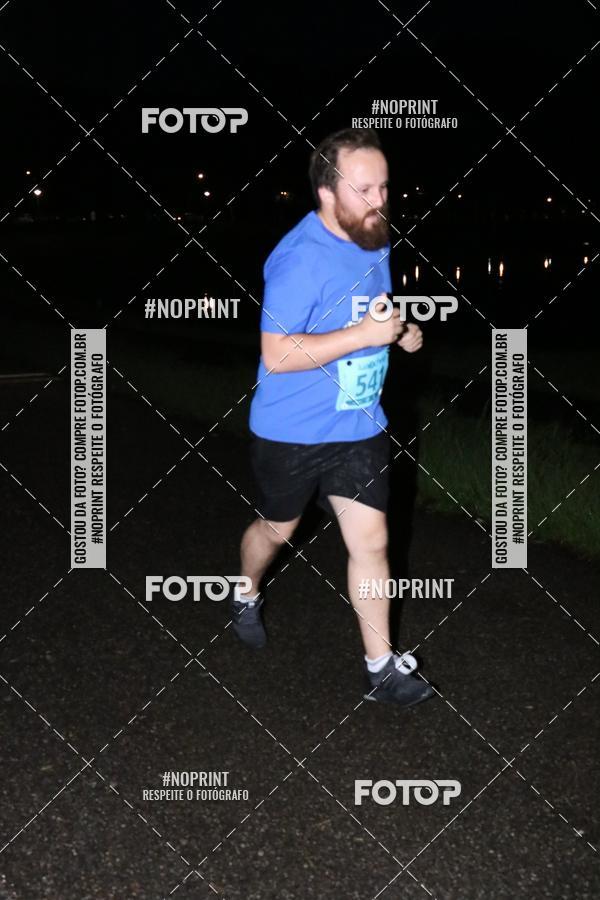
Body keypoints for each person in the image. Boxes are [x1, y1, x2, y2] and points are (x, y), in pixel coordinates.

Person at [231, 128, 435, 709]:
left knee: (372, 541)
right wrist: (364, 335)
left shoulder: (373, 237)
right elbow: (277, 354)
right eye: (363, 189)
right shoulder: (298, 258)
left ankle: (381, 669)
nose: (379, 200)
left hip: (358, 424)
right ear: (326, 192)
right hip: (291, 432)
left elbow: (367, 313)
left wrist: (398, 331)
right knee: (277, 530)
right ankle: (244, 591)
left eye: (384, 187)